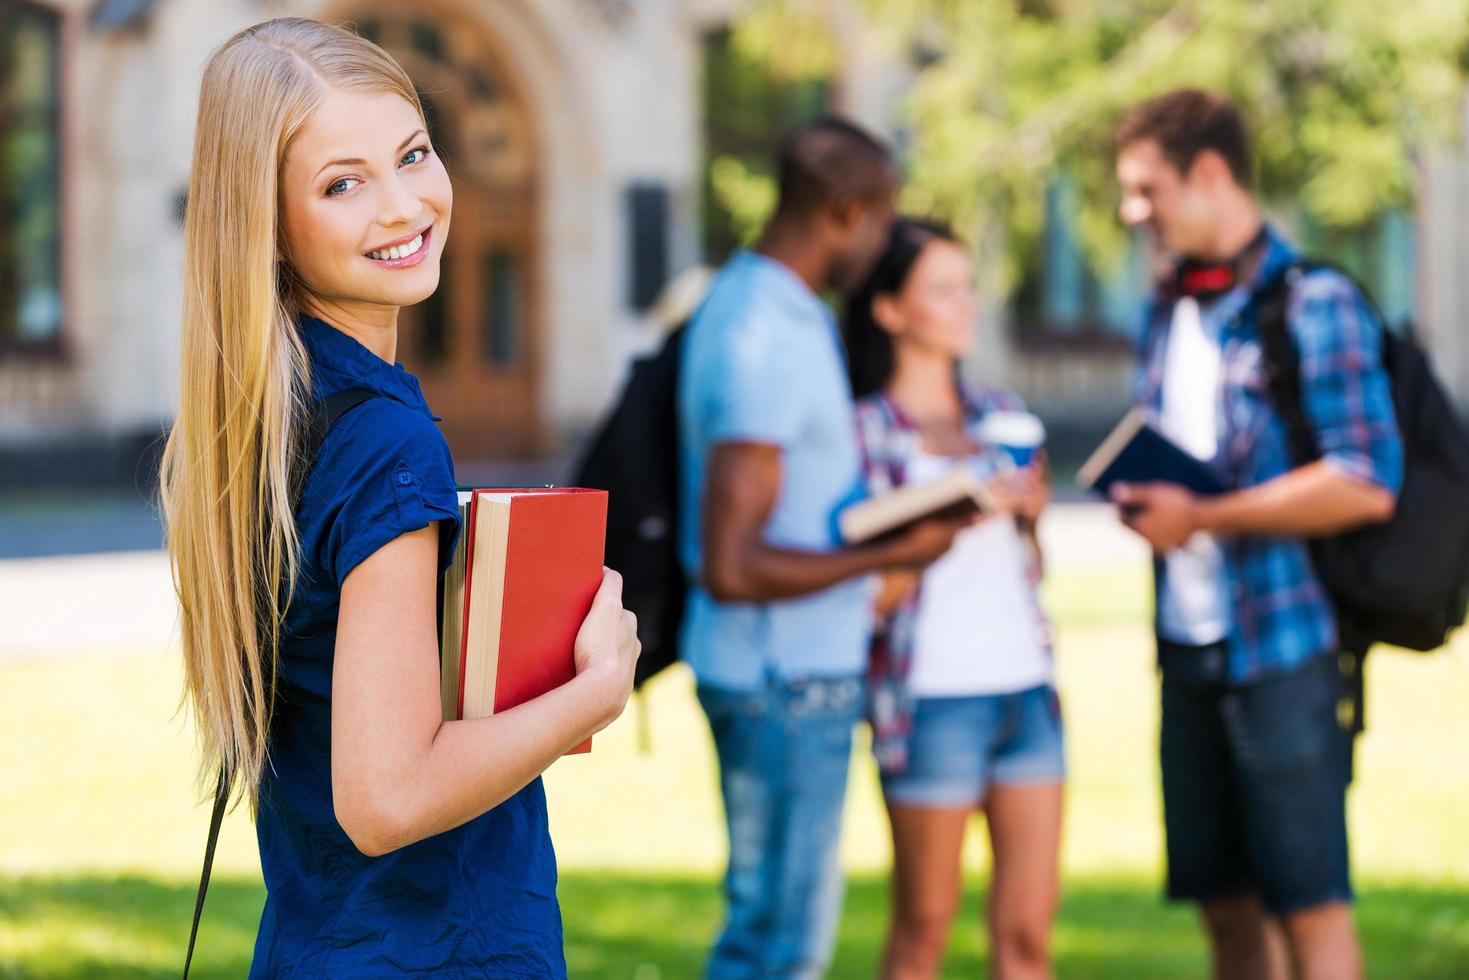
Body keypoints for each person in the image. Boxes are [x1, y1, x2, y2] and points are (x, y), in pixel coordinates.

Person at [159, 19, 639, 976]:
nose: (403, 204)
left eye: (413, 153)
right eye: (343, 183)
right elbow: (385, 799)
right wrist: (592, 694)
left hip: (322, 940)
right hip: (429, 951)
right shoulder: (383, 442)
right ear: (268, 220)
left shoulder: (267, 410)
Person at [1110, 89, 1402, 980]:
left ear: (1208, 174)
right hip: (1185, 648)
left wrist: (1201, 517)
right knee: (1225, 910)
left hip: (1283, 649)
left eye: (1145, 189)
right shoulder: (1165, 307)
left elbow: (1364, 479)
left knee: (1308, 906)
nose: (1132, 213)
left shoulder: (1313, 302)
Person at [678, 118, 966, 979]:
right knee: (776, 950)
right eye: (881, 220)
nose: (883, 242)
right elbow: (732, 564)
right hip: (781, 682)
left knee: (776, 941)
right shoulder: (762, 331)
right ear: (845, 211)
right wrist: (889, 558)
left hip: (792, 675)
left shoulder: (767, 308)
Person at [846, 219, 1062, 980]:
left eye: (966, 285)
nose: (965, 303)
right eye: (941, 288)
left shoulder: (998, 412)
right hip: (930, 703)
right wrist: (941, 527)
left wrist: (1028, 516)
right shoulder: (864, 431)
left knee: (1029, 936)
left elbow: (1031, 568)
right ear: (889, 310)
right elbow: (861, 598)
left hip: (1027, 695)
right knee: (923, 929)